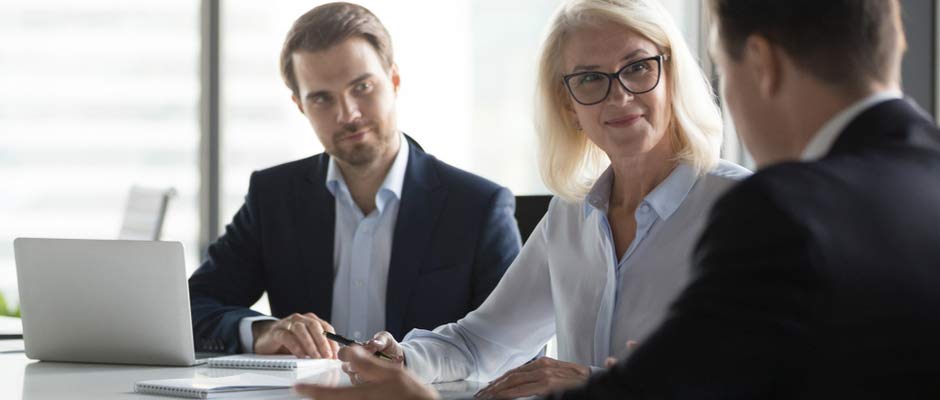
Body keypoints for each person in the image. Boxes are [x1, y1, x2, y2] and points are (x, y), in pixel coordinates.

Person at [296, 0, 940, 398]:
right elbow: (479, 342)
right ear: (568, 104)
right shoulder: (571, 214)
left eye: (638, 68)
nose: (619, 96)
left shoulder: (746, 209)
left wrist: (599, 385)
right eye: (590, 80)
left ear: (672, 73)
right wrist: (402, 358)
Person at [188, 2, 521, 360]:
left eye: (361, 86)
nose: (348, 114)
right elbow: (192, 308)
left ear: (393, 80)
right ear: (301, 105)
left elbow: (518, 349)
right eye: (321, 98)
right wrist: (263, 331)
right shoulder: (274, 198)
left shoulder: (477, 207)